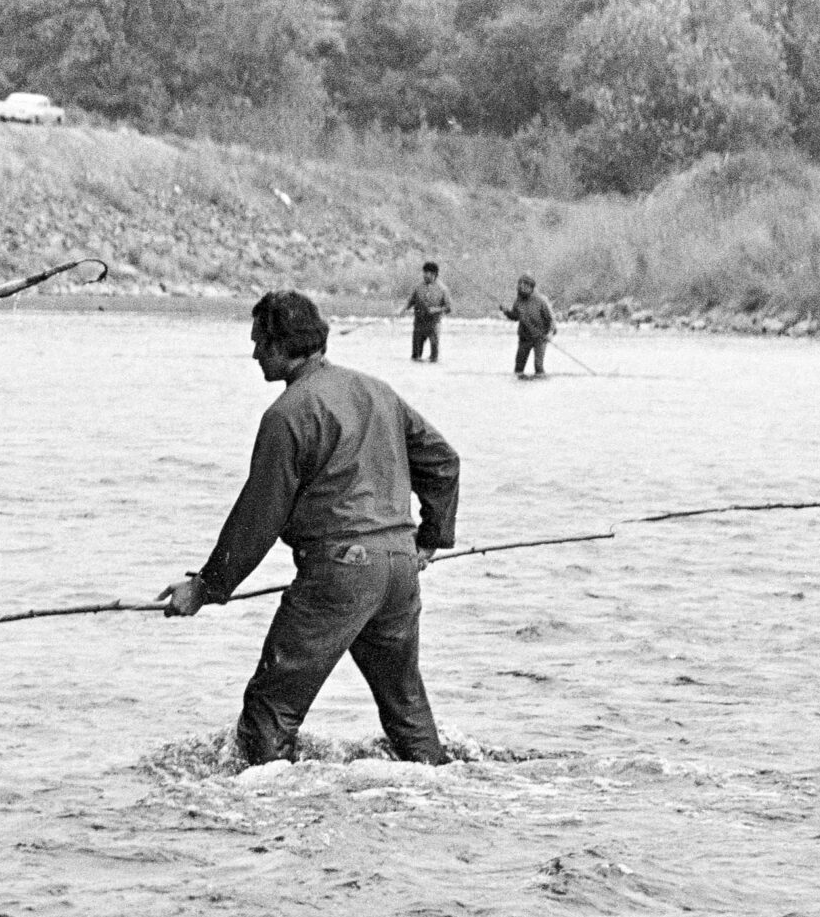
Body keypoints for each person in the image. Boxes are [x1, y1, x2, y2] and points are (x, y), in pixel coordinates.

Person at [155, 290, 461, 769]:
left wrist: (206, 588)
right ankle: (440, 783)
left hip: (339, 574)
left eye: (260, 343)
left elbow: (258, 517)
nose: (255, 353)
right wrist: (428, 541)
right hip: (399, 572)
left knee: (270, 710)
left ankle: (266, 803)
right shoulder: (378, 392)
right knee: (407, 711)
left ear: (284, 345)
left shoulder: (287, 415)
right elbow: (443, 464)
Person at [501, 275, 554, 377]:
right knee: (518, 368)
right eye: (520, 286)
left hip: (540, 338)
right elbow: (515, 317)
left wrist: (549, 334)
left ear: (531, 288)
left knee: (538, 367)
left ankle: (540, 385)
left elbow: (549, 319)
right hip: (524, 338)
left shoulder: (540, 301)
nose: (521, 288)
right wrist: (506, 312)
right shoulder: (518, 301)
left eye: (524, 286)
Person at [400, 261, 450, 363]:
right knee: (415, 356)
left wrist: (436, 310)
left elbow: (448, 308)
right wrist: (403, 309)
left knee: (434, 357)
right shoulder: (418, 288)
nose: (425, 276)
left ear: (434, 274)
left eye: (427, 274)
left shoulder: (443, 289)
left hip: (433, 325)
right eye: (424, 273)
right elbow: (410, 301)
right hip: (419, 324)